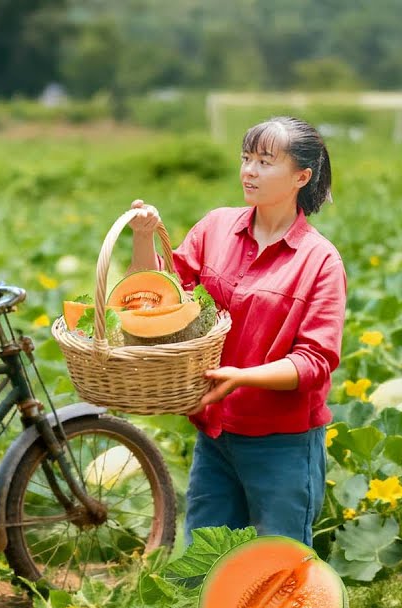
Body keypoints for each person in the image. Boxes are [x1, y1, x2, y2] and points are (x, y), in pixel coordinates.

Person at [126, 116, 346, 547]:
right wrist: (143, 238)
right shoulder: (216, 227)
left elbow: (315, 362)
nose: (249, 170)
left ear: (302, 176)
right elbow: (159, 296)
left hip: (283, 442)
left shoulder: (320, 261)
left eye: (265, 161)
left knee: (277, 563)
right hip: (217, 435)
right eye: (246, 158)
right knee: (201, 560)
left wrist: (241, 377)